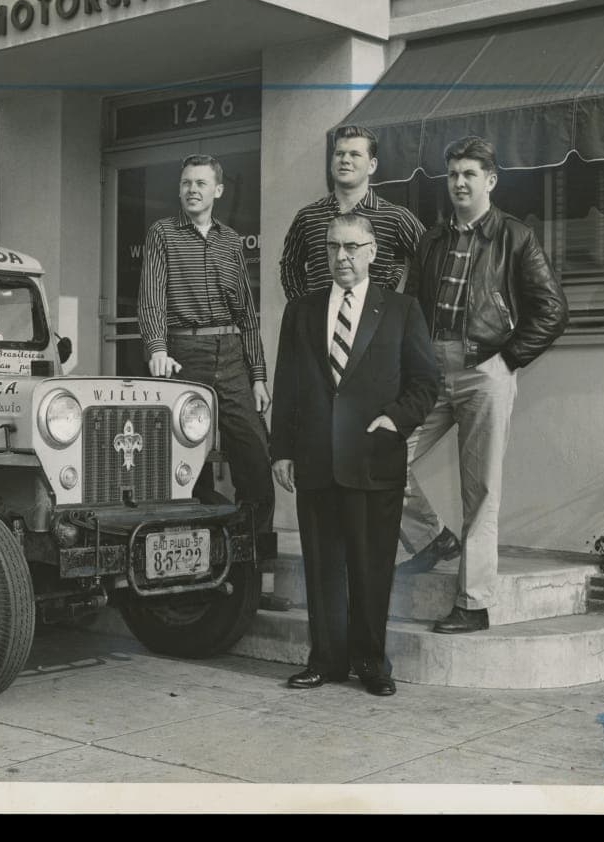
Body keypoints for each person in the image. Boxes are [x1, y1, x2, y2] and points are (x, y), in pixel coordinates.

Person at [398, 136, 568, 635]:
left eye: (470, 174)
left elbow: (553, 310)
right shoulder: (431, 239)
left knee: (481, 491)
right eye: (453, 174)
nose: (459, 182)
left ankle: (472, 603)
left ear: (490, 180)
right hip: (431, 373)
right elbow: (410, 309)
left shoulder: (515, 236)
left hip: (484, 371)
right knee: (381, 452)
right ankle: (431, 539)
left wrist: (507, 360)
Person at [270, 213, 439, 695]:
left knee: (371, 569)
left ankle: (371, 663)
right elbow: (287, 385)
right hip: (316, 460)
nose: (341, 257)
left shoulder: (401, 310)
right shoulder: (301, 311)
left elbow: (426, 382)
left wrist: (395, 420)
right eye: (332, 247)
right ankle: (326, 661)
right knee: (322, 568)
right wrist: (281, 450)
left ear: (372, 252)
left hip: (373, 458)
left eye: (351, 247)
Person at [138, 154, 275, 553]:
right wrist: (158, 348)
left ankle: (252, 558)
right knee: (187, 460)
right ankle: (195, 552)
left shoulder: (230, 240)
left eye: (200, 183)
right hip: (184, 354)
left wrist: (258, 375)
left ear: (218, 190)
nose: (192, 190)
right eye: (186, 183)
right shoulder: (162, 233)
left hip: (231, 356)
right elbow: (151, 297)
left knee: (254, 453)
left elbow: (247, 313)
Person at [279, 125, 425, 301]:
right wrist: (302, 309)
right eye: (339, 154)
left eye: (355, 154)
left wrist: (404, 307)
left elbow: (431, 261)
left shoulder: (396, 217)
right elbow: (290, 266)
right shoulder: (308, 217)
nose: (345, 160)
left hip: (376, 317)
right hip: (321, 317)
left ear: (372, 165)